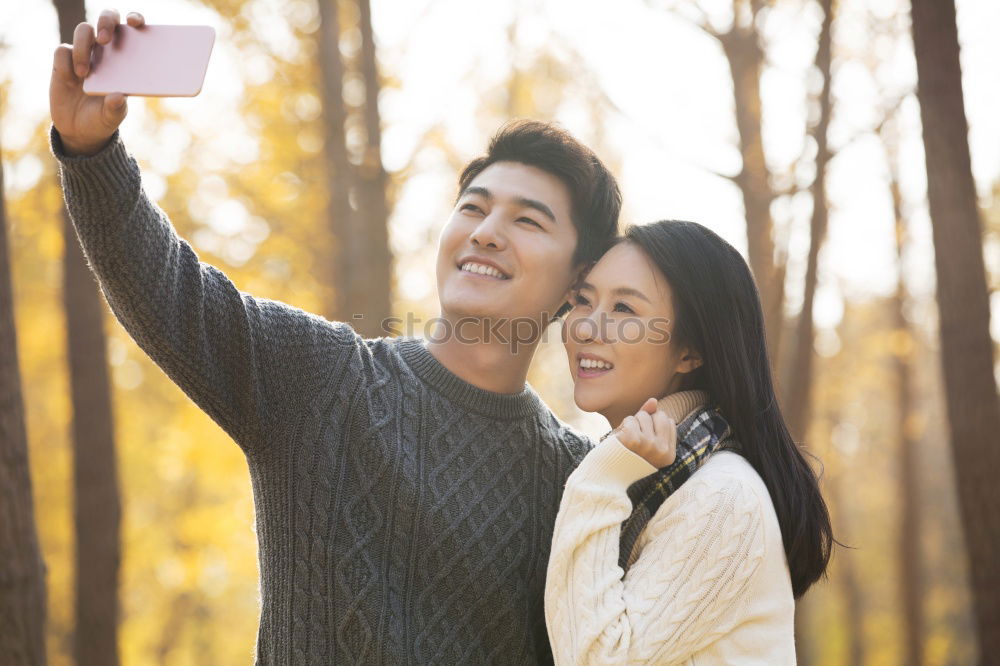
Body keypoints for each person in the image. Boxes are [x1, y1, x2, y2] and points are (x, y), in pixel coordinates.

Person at [48, 10, 734, 664]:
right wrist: (92, 150)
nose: (486, 230)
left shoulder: (577, 482)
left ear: (575, 283)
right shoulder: (319, 379)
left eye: (528, 221)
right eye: (473, 206)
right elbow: (167, 289)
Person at [544, 221, 834, 664]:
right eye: (583, 300)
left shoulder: (721, 496)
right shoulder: (662, 479)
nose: (586, 327)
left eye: (623, 309)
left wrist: (602, 481)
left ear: (689, 353)